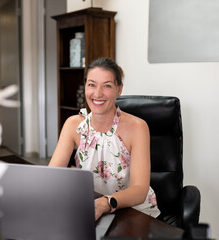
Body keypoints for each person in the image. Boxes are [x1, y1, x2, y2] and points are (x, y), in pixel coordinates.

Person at [49, 57, 160, 220]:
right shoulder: (73, 125)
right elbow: (51, 176)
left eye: (107, 86)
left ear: (119, 89)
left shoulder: (138, 127)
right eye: (91, 85)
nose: (97, 93)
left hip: (133, 211)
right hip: (89, 208)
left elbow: (139, 190)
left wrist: (104, 204)